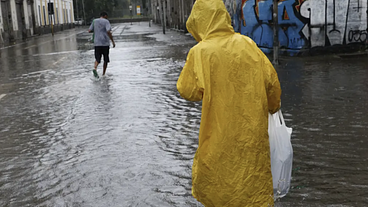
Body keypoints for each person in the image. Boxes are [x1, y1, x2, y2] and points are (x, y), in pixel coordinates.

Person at [176, 0, 281, 206]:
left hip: (218, 139)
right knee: (253, 186)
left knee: (219, 187)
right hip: (252, 137)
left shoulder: (200, 52)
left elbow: (187, 91)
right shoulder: (248, 44)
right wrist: (272, 106)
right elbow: (272, 84)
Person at [88, 11, 116, 78]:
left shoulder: (95, 21)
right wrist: (112, 41)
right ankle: (103, 74)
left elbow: (89, 30)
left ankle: (95, 68)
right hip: (105, 43)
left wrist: (96, 30)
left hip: (97, 43)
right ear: (105, 16)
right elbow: (108, 31)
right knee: (105, 59)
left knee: (97, 58)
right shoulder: (106, 21)